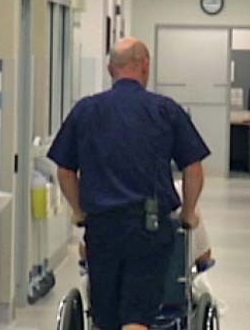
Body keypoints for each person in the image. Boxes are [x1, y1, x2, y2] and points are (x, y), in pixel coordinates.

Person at [48, 37, 210, 330]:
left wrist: (79, 211)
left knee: (106, 316)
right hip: (148, 227)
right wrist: (188, 212)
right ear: (145, 66)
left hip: (102, 228)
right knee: (137, 314)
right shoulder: (165, 110)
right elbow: (194, 168)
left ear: (111, 69)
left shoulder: (86, 110)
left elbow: (64, 170)